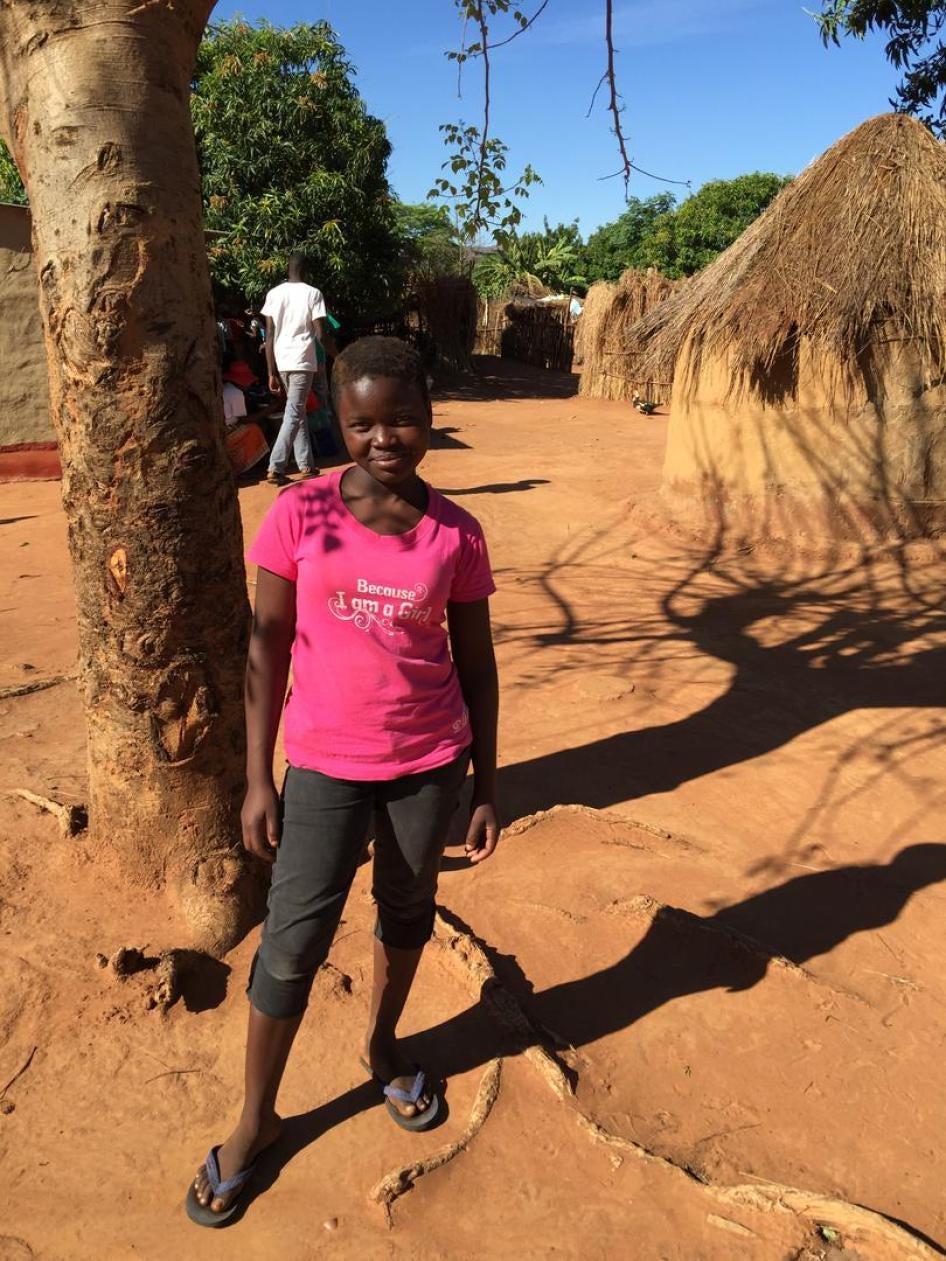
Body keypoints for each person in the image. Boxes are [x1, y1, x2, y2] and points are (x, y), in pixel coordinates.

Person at [187, 336, 501, 1225]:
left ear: (429, 415)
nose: (384, 438)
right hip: (323, 765)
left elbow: (476, 667)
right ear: (336, 418)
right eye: (362, 421)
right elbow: (267, 645)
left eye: (402, 418)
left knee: (407, 912)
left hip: (427, 764)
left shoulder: (458, 533)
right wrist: (258, 779)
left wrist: (484, 780)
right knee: (292, 937)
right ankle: (255, 1119)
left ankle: (383, 1043)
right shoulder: (301, 515)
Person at [262, 252, 327, 486]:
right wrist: (319, 358)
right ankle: (276, 466)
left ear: (287, 269)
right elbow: (319, 331)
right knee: (294, 411)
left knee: (296, 410)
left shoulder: (274, 294)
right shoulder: (313, 293)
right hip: (302, 359)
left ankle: (306, 464)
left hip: (281, 360)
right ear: (306, 270)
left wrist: (270, 371)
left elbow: (269, 334)